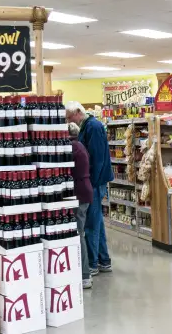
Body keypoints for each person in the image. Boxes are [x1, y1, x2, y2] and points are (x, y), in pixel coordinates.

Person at [65, 102, 114, 276]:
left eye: (71, 118)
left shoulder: (93, 126)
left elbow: (98, 159)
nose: (71, 121)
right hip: (94, 182)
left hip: (96, 182)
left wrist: (90, 183)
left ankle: (92, 264)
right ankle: (103, 260)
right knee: (97, 222)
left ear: (79, 112)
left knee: (91, 225)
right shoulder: (88, 126)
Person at [68, 122, 94, 289]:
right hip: (84, 190)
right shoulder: (80, 145)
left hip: (79, 193)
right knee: (80, 232)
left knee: (79, 233)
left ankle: (85, 275)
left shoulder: (73, 147)